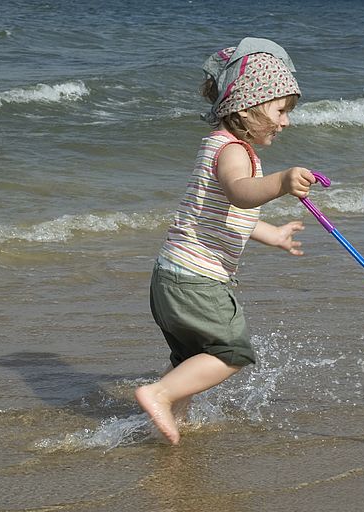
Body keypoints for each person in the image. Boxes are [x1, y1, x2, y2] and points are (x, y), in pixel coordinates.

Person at [135, 37, 317, 445]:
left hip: (170, 278)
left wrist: (273, 234)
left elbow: (224, 212)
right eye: (280, 110)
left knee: (189, 360)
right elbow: (240, 192)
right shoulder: (234, 151)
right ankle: (158, 395)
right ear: (248, 106)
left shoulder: (214, 145)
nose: (286, 121)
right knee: (231, 352)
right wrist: (283, 182)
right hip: (198, 282)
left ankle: (167, 422)